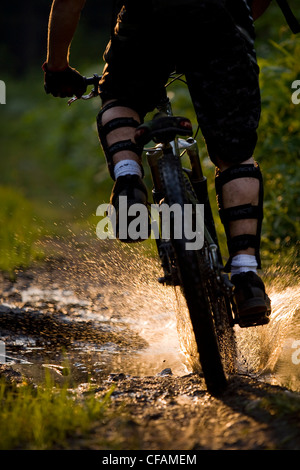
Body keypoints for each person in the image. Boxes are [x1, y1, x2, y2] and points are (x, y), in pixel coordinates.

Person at [42, 0, 271, 327]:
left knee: (120, 99)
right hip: (220, 15)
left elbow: (69, 3)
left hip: (149, 17)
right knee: (235, 155)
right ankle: (247, 278)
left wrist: (57, 68)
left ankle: (129, 181)